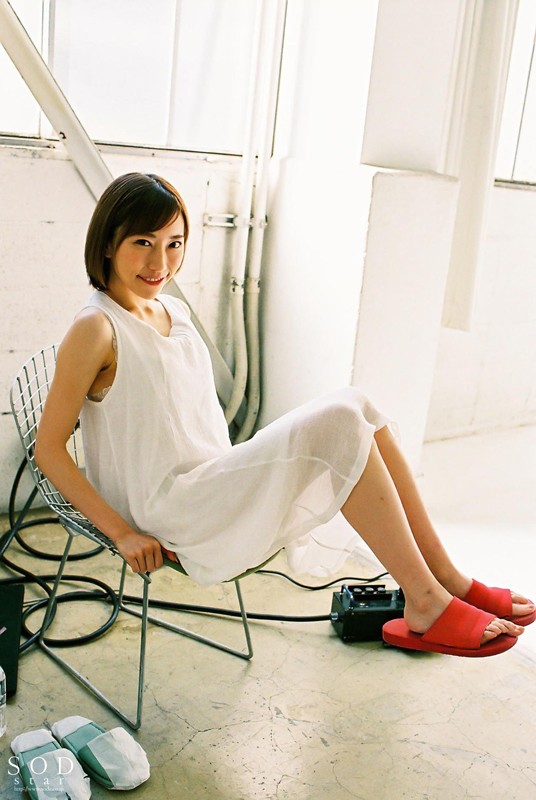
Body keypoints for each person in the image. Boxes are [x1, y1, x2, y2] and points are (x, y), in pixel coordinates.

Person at [34, 172, 534, 658]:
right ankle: (426, 599)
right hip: (170, 509)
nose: (160, 261)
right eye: (143, 242)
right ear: (108, 243)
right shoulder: (96, 328)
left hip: (211, 480)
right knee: (341, 420)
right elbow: (49, 450)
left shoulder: (172, 311)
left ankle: (445, 579)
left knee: (359, 407)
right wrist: (122, 532)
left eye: (174, 243)